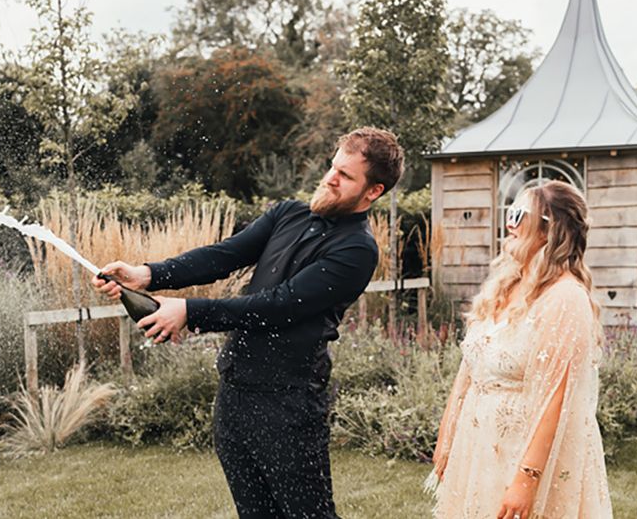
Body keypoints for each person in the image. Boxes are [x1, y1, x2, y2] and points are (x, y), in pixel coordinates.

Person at [93, 127, 404, 519]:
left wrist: (191, 311)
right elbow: (223, 255)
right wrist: (147, 274)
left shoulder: (357, 249)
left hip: (288, 403)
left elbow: (279, 305)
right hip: (236, 392)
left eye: (346, 175)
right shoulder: (288, 213)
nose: (330, 177)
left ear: (373, 191)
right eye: (332, 166)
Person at [426, 180, 612, 519]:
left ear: (548, 230)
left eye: (519, 214)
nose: (508, 223)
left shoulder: (566, 298)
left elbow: (558, 397)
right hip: (478, 445)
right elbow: (469, 368)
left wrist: (526, 479)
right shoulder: (504, 286)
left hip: (520, 454)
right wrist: (447, 434)